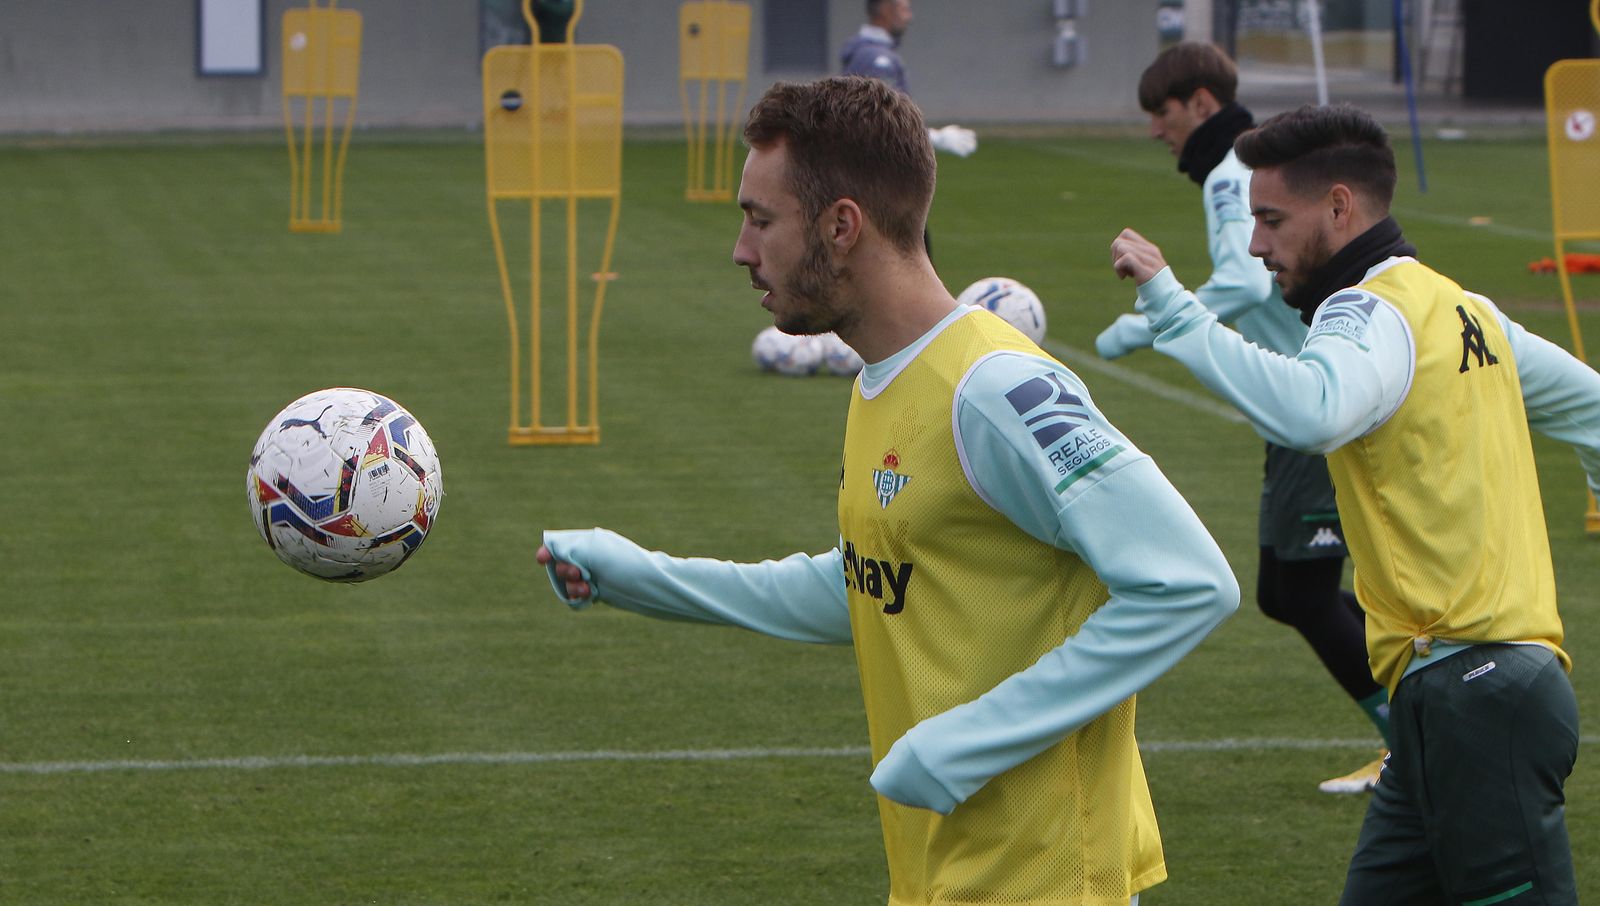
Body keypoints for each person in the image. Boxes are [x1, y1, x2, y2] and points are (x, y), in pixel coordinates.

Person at [540, 75, 1239, 905]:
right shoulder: (883, 378)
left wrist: (970, 741)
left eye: (760, 219)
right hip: (945, 875)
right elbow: (875, 583)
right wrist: (641, 576)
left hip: (1044, 878)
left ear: (842, 226)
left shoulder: (996, 388)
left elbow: (1189, 582)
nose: (739, 247)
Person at [1110, 102, 1599, 904]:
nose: (1255, 243)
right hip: (1448, 696)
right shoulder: (1465, 308)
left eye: (1270, 219)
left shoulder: (1366, 313)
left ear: (1340, 207)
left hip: (1475, 692)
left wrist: (1172, 305)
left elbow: (1312, 408)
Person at [1094, 42, 1390, 795]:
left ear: (1199, 103)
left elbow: (1236, 277)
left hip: (1311, 399)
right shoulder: (1238, 169)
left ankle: (1419, 746)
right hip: (1292, 407)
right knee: (1284, 592)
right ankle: (1419, 735)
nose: (1158, 133)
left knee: (1304, 591)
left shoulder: (1231, 173)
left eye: (1161, 115)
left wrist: (1142, 325)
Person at [841, 0, 976, 158]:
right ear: (885, 9)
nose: (909, 17)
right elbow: (884, 123)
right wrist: (937, 139)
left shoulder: (865, 53)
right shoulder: (878, 59)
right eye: (903, 9)